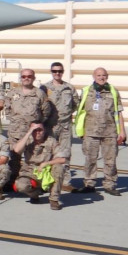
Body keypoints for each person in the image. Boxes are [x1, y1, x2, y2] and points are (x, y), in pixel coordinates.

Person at [73, 67, 126, 196]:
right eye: (99, 75)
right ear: (94, 76)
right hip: (91, 132)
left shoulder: (113, 91)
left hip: (110, 131)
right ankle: (89, 184)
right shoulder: (86, 91)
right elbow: (80, 111)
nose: (102, 78)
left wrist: (122, 131)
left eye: (104, 75)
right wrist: (81, 131)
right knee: (90, 159)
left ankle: (110, 184)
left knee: (110, 160)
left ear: (107, 76)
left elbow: (119, 113)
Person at [42, 62, 80, 192]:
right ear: (51, 72)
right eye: (54, 71)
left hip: (65, 126)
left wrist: (66, 115)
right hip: (50, 126)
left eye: (59, 71)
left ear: (62, 72)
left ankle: (65, 182)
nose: (57, 73)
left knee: (66, 153)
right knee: (48, 154)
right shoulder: (44, 88)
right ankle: (47, 179)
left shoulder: (69, 88)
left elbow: (75, 104)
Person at [13, 122, 67, 210]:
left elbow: (63, 159)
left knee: (59, 168)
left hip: (46, 172)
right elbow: (17, 150)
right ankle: (35, 194)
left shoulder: (51, 141)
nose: (37, 133)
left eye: (40, 130)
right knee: (20, 185)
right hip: (30, 172)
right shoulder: (28, 140)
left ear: (44, 130)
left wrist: (46, 163)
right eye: (35, 130)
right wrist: (29, 132)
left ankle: (54, 199)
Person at [4, 68, 50, 146]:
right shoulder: (12, 93)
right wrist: (15, 120)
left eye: (29, 76)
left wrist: (36, 122)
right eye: (24, 76)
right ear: (20, 78)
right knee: (14, 156)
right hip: (15, 133)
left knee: (32, 157)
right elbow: (7, 109)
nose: (26, 78)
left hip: (33, 134)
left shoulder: (40, 94)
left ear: (34, 78)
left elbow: (46, 112)